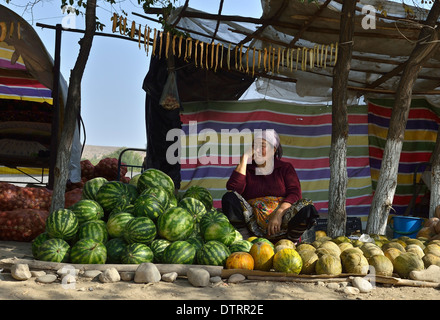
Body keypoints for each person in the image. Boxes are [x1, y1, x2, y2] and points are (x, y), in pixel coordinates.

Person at [221, 129, 319, 243]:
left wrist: (279, 214)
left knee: (307, 208)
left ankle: (291, 240)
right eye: (254, 146)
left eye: (262, 146)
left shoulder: (285, 168)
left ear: (273, 150)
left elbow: (295, 193)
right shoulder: (246, 169)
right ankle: (246, 239)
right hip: (253, 225)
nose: (256, 150)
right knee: (229, 197)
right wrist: (244, 159)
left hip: (282, 221)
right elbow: (233, 189)